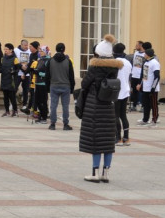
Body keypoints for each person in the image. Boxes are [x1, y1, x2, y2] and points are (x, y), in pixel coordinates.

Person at [78, 35, 123, 183]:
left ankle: (95, 173)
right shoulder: (114, 68)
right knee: (108, 142)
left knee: (95, 141)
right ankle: (106, 173)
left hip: (94, 106)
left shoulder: (94, 67)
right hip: (109, 106)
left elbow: (84, 84)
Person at [48, 42, 75, 131]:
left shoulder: (50, 61)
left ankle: (52, 124)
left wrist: (48, 86)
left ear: (56, 49)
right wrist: (72, 88)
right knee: (65, 106)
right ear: (64, 49)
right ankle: (65, 124)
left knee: (53, 105)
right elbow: (71, 76)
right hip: (65, 86)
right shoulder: (68, 61)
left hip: (54, 85)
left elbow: (48, 75)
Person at [113, 42, 132, 146]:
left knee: (115, 115)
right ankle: (126, 138)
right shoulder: (128, 62)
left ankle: (118, 138)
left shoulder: (114, 62)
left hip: (116, 90)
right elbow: (129, 76)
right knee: (123, 115)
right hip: (125, 90)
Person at [140, 47, 161, 126]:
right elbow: (144, 76)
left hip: (152, 88)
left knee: (154, 105)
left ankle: (154, 119)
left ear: (148, 55)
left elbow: (157, 76)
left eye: (145, 53)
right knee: (146, 105)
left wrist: (153, 87)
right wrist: (141, 84)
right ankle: (145, 119)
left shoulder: (155, 63)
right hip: (145, 87)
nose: (144, 55)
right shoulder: (146, 63)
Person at [0, 43, 19, 117]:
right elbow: (1, 68)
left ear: (11, 50)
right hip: (4, 79)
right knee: (5, 96)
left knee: (12, 96)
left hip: (11, 80)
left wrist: (14, 72)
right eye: (5, 49)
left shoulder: (15, 59)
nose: (5, 50)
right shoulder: (2, 58)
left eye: (7, 49)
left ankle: (15, 110)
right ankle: (7, 111)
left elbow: (17, 68)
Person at [30, 46, 49, 123]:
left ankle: (44, 117)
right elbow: (38, 70)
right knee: (37, 101)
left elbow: (48, 73)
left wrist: (39, 73)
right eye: (39, 51)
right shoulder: (40, 60)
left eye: (41, 51)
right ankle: (40, 115)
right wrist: (34, 71)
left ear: (45, 52)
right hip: (37, 82)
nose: (40, 52)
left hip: (43, 83)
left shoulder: (48, 60)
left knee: (43, 101)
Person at [129, 41, 145, 112]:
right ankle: (134, 105)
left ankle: (142, 105)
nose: (135, 46)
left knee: (141, 91)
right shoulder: (136, 53)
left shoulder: (145, 54)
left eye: (137, 45)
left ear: (141, 45)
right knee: (134, 91)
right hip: (134, 75)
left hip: (140, 75)